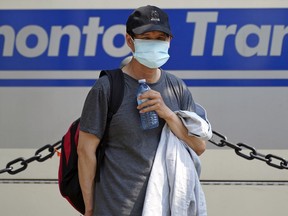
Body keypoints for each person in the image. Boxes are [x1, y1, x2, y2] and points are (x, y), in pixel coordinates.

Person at [77, 5, 207, 216]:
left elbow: (199, 146)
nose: (155, 43)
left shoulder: (177, 87)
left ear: (169, 41)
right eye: (146, 37)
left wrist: (167, 113)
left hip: (165, 208)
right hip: (115, 209)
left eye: (161, 37)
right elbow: (85, 151)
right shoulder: (107, 88)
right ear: (130, 40)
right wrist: (90, 208)